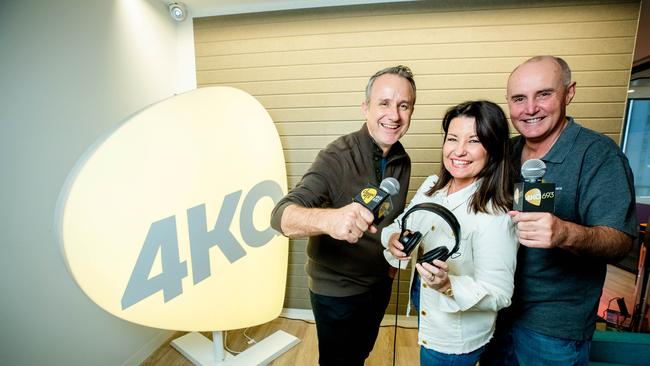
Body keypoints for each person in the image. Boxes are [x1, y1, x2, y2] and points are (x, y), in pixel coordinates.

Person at [481, 56, 638, 365]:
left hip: (554, 328)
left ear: (569, 93)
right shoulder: (505, 154)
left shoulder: (597, 155)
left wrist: (566, 233)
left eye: (544, 94)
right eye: (519, 99)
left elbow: (620, 241)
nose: (530, 108)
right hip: (497, 311)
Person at [270, 65, 416, 365]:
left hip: (378, 285)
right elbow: (280, 216)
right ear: (365, 108)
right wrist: (329, 220)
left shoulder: (402, 161)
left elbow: (391, 219)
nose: (395, 115)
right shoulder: (336, 156)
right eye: (384, 103)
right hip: (337, 292)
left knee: (360, 354)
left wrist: (390, 264)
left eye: (404, 105)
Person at [382, 100, 518, 365]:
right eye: (452, 139)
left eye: (474, 141)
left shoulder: (497, 215)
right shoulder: (432, 186)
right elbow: (398, 225)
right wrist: (393, 239)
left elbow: (500, 293)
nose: (459, 151)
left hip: (453, 339)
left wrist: (447, 285)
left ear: (494, 147)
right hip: (425, 309)